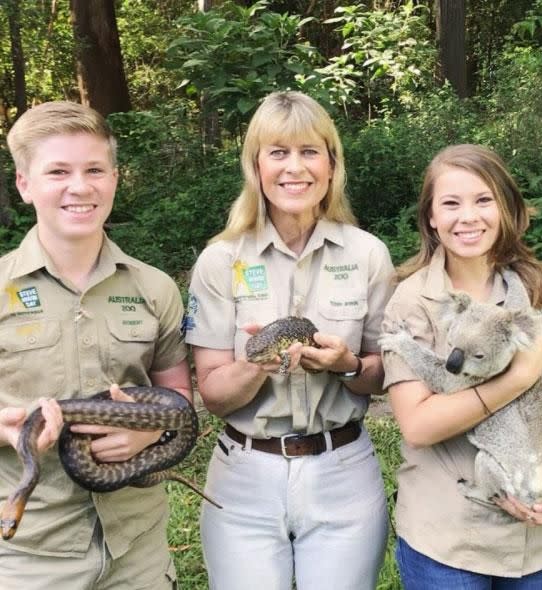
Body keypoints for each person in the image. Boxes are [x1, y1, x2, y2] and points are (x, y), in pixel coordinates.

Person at [184, 90, 395, 590]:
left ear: (331, 164)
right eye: (277, 152)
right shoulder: (221, 261)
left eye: (308, 152)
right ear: (255, 165)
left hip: (343, 470)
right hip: (244, 476)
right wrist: (257, 364)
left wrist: (345, 365)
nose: (293, 168)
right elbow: (213, 394)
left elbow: (383, 374)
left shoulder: (368, 255)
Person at [0, 101, 192, 590]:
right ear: (24, 184)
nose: (79, 187)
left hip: (138, 550)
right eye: (57, 171)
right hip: (29, 559)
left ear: (114, 178)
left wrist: (148, 437)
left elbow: (180, 403)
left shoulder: (155, 288)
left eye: (94, 170)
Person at [381, 143, 542, 589]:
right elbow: (417, 425)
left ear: (506, 208)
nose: (468, 217)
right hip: (451, 542)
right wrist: (517, 378)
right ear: (431, 217)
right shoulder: (413, 300)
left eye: (483, 200)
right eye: (451, 203)